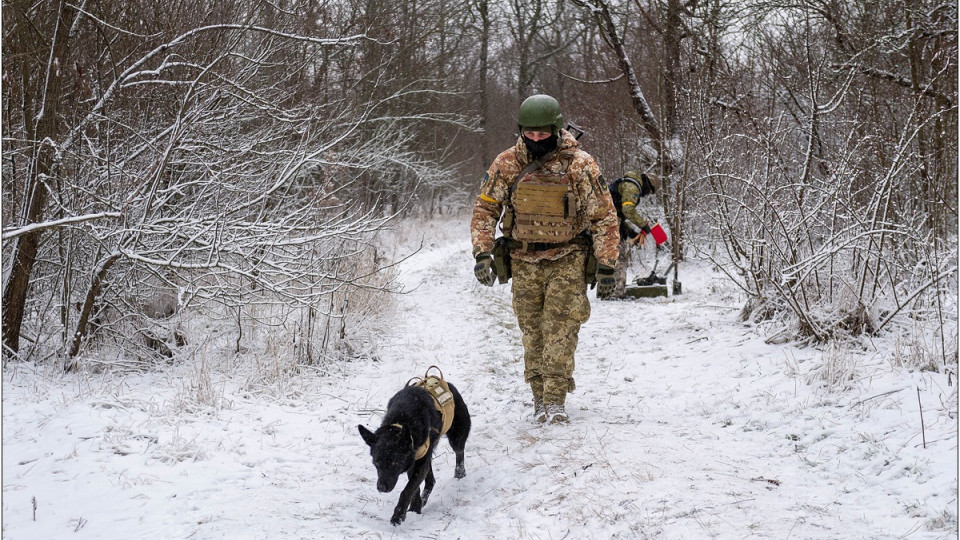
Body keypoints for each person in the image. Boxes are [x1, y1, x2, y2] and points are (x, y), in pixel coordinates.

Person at [470, 94, 620, 424]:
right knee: (533, 332)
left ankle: (555, 399)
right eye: (530, 134)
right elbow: (485, 209)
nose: (536, 140)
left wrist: (607, 263)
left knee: (561, 330)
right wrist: (482, 253)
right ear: (521, 131)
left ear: (554, 129)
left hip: (568, 257)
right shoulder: (507, 163)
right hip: (522, 259)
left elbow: (604, 216)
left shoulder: (580, 163)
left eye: (542, 134)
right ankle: (538, 396)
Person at [607, 171, 661, 299]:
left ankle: (608, 291)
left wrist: (630, 232)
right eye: (650, 192)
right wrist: (643, 225)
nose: (647, 195)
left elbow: (618, 213)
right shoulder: (633, 187)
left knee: (611, 257)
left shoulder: (627, 183)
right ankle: (616, 293)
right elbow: (627, 210)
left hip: (609, 221)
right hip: (609, 222)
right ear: (649, 186)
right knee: (619, 257)